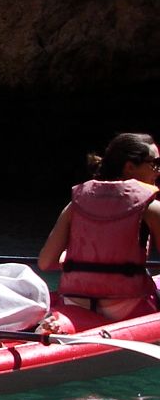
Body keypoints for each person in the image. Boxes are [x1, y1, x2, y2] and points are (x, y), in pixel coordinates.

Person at [37, 132, 160, 321]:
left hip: (76, 301)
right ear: (130, 167)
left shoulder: (76, 202)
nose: (158, 171)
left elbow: (45, 262)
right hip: (127, 304)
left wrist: (70, 259)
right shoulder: (151, 207)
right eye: (154, 164)